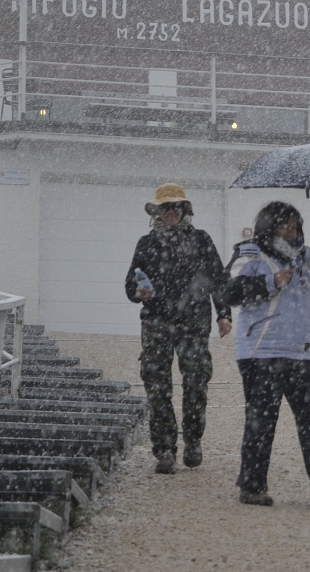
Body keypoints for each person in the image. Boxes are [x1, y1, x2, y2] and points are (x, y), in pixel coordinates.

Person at [225, 201, 310, 507]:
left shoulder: (307, 260)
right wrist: (270, 282)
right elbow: (227, 291)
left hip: (303, 353)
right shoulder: (251, 253)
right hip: (260, 352)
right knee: (261, 422)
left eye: (295, 227)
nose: (291, 232)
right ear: (269, 226)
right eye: (284, 226)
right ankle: (252, 487)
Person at [125, 183, 232, 475]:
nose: (171, 212)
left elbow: (218, 279)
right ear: (157, 213)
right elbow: (129, 285)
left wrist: (224, 313)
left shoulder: (201, 240)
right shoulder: (146, 244)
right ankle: (164, 450)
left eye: (176, 207)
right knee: (157, 387)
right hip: (156, 323)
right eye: (165, 207)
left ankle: (193, 441)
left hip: (194, 322)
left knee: (196, 383)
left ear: (185, 210)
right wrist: (138, 292)